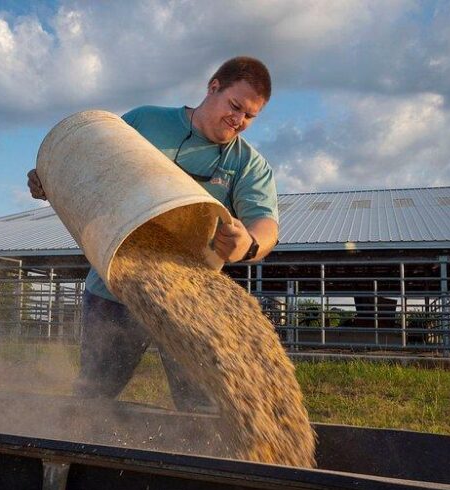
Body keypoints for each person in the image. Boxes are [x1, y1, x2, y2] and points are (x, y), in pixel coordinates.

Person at [27, 56, 279, 412]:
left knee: (201, 405)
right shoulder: (145, 122)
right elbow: (92, 162)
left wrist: (248, 243)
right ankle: (73, 460)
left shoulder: (246, 164)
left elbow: (266, 225)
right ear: (213, 87)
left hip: (189, 299)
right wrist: (50, 178)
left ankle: (193, 464)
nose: (239, 120)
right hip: (114, 285)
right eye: (235, 106)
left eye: (250, 116)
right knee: (94, 395)